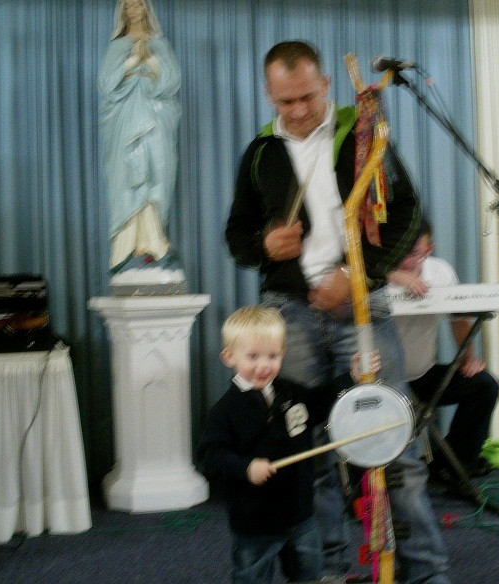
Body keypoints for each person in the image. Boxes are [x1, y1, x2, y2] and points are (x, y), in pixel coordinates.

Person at [225, 41, 450, 583]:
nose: (299, 110)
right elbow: (237, 237)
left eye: (307, 96)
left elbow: (406, 214)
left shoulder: (364, 135)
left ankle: (426, 574)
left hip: (361, 307)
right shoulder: (260, 153)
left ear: (326, 84)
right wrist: (264, 245)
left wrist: (357, 277)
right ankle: (326, 571)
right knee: (310, 452)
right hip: (290, 315)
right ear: (268, 94)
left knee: (395, 444)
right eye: (286, 101)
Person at [197, 306, 378, 584]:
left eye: (273, 356)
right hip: (256, 522)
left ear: (282, 354)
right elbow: (210, 457)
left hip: (300, 514)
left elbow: (321, 402)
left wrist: (350, 377)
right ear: (229, 357)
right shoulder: (225, 411)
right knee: (252, 577)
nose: (264, 365)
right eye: (253, 356)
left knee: (308, 574)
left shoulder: (290, 392)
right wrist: (245, 468)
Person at [388, 219, 499, 486]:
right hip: (381, 381)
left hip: (421, 375)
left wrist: (469, 359)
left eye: (415, 253)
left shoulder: (440, 272)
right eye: (401, 251)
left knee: (485, 385)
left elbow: (458, 320)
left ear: (429, 250)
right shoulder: (373, 272)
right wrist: (392, 275)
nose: (407, 261)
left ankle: (454, 466)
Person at [99, 0, 181, 272]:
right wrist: (133, 61)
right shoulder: (117, 47)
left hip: (156, 124)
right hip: (125, 126)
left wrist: (151, 61)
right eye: (128, 6)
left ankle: (154, 244)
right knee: (127, 181)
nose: (134, 10)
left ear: (146, 7)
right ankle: (126, 248)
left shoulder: (160, 44)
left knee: (157, 175)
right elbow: (106, 84)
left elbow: (172, 81)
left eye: (138, 4)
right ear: (122, 12)